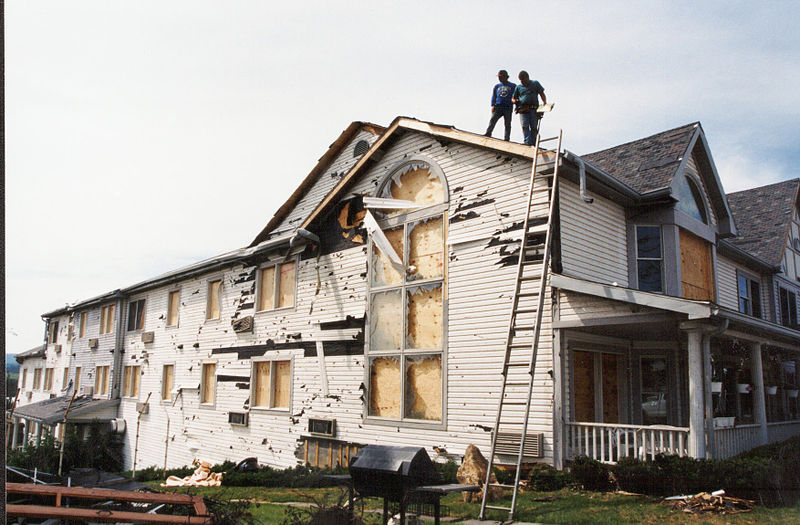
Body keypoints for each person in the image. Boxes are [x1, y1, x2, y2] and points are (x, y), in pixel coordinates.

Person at [512, 71, 547, 145]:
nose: (523, 82)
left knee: (534, 127)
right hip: (523, 109)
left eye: (524, 80)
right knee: (525, 126)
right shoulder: (519, 87)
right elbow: (513, 98)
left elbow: (541, 93)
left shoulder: (535, 83)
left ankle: (533, 143)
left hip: (534, 109)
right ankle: (527, 142)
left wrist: (544, 103)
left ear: (527, 78)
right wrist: (515, 101)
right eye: (521, 81)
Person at [484, 70, 516, 141]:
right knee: (492, 120)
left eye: (501, 77)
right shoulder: (497, 86)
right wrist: (493, 105)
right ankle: (488, 132)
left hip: (508, 107)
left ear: (506, 77)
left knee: (507, 123)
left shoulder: (513, 86)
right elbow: (494, 96)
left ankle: (506, 138)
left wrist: (517, 105)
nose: (499, 78)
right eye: (499, 77)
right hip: (498, 106)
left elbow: (516, 96)